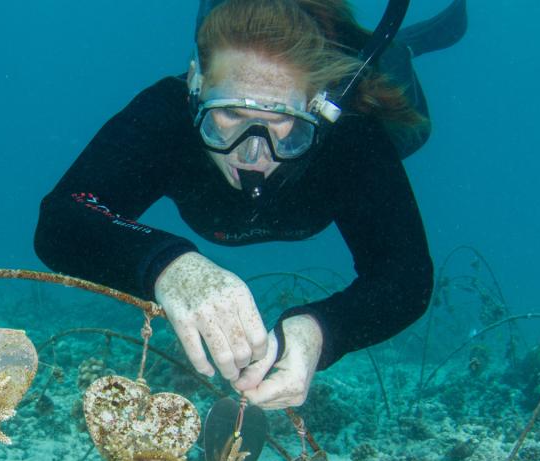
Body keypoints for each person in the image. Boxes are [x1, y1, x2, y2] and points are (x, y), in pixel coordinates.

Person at [34, 0, 467, 410]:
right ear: (195, 88)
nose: (253, 152)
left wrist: (321, 330)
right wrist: (170, 266)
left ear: (318, 107)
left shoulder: (350, 137)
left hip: (365, 90)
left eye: (283, 121)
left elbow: (405, 277)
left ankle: (400, 47)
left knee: (403, 113)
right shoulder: (167, 115)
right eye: (229, 115)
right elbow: (63, 217)